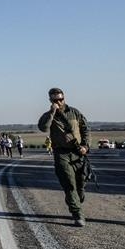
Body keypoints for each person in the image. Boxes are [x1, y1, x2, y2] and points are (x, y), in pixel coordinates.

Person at [37, 87, 90, 227]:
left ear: (64, 98)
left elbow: (85, 129)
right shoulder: (48, 115)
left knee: (80, 185)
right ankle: (78, 214)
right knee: (69, 184)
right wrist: (52, 112)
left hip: (78, 153)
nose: (59, 102)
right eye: (55, 100)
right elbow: (43, 127)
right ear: (50, 100)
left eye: (61, 99)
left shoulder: (74, 112)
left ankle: (76, 200)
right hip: (61, 154)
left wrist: (85, 146)